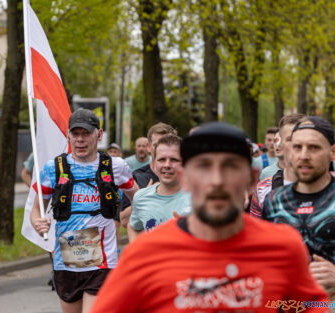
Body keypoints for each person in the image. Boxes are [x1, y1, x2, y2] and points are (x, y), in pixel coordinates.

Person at [90, 122, 328, 313]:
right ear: (184, 178)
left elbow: (311, 306)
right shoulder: (144, 255)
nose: (216, 180)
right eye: (203, 167)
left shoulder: (283, 247)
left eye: (230, 167)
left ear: (252, 179)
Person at [30, 108, 137, 313]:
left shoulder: (115, 166)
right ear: (68, 135)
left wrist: (131, 220)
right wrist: (38, 222)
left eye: (86, 133)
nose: (80, 139)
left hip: (102, 263)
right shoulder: (53, 168)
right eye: (75, 134)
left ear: (99, 134)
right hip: (66, 262)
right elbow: (36, 210)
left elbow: (138, 200)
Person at [261, 116, 335, 299]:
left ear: (332, 152)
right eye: (297, 147)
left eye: (314, 147)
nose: (304, 155)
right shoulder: (273, 201)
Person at [127, 134, 191, 242]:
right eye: (162, 159)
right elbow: (133, 227)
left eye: (174, 160)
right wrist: (137, 253)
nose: (167, 165)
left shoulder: (198, 199)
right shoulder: (141, 197)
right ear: (153, 164)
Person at [118, 123, 177, 228]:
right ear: (149, 147)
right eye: (157, 145)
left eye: (167, 144)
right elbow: (124, 220)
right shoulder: (137, 177)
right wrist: (144, 198)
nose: (162, 149)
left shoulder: (184, 177)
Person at [250, 113, 305, 217]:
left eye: (302, 138)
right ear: (280, 144)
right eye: (290, 139)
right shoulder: (263, 189)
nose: (297, 144)